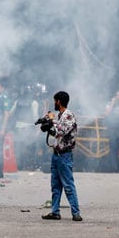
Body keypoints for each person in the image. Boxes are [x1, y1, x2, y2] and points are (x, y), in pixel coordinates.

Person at [41, 91, 82, 222]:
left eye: (55, 101)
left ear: (58, 101)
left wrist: (51, 123)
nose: (54, 103)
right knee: (55, 186)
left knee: (68, 185)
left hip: (64, 156)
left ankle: (76, 213)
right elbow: (56, 133)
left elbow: (62, 131)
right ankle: (55, 212)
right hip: (57, 155)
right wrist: (47, 122)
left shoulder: (68, 116)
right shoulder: (61, 116)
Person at [104, 90, 119, 172]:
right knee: (112, 147)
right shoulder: (109, 104)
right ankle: (113, 168)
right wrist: (112, 103)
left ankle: (112, 166)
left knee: (117, 149)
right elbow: (106, 114)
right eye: (117, 95)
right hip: (111, 128)